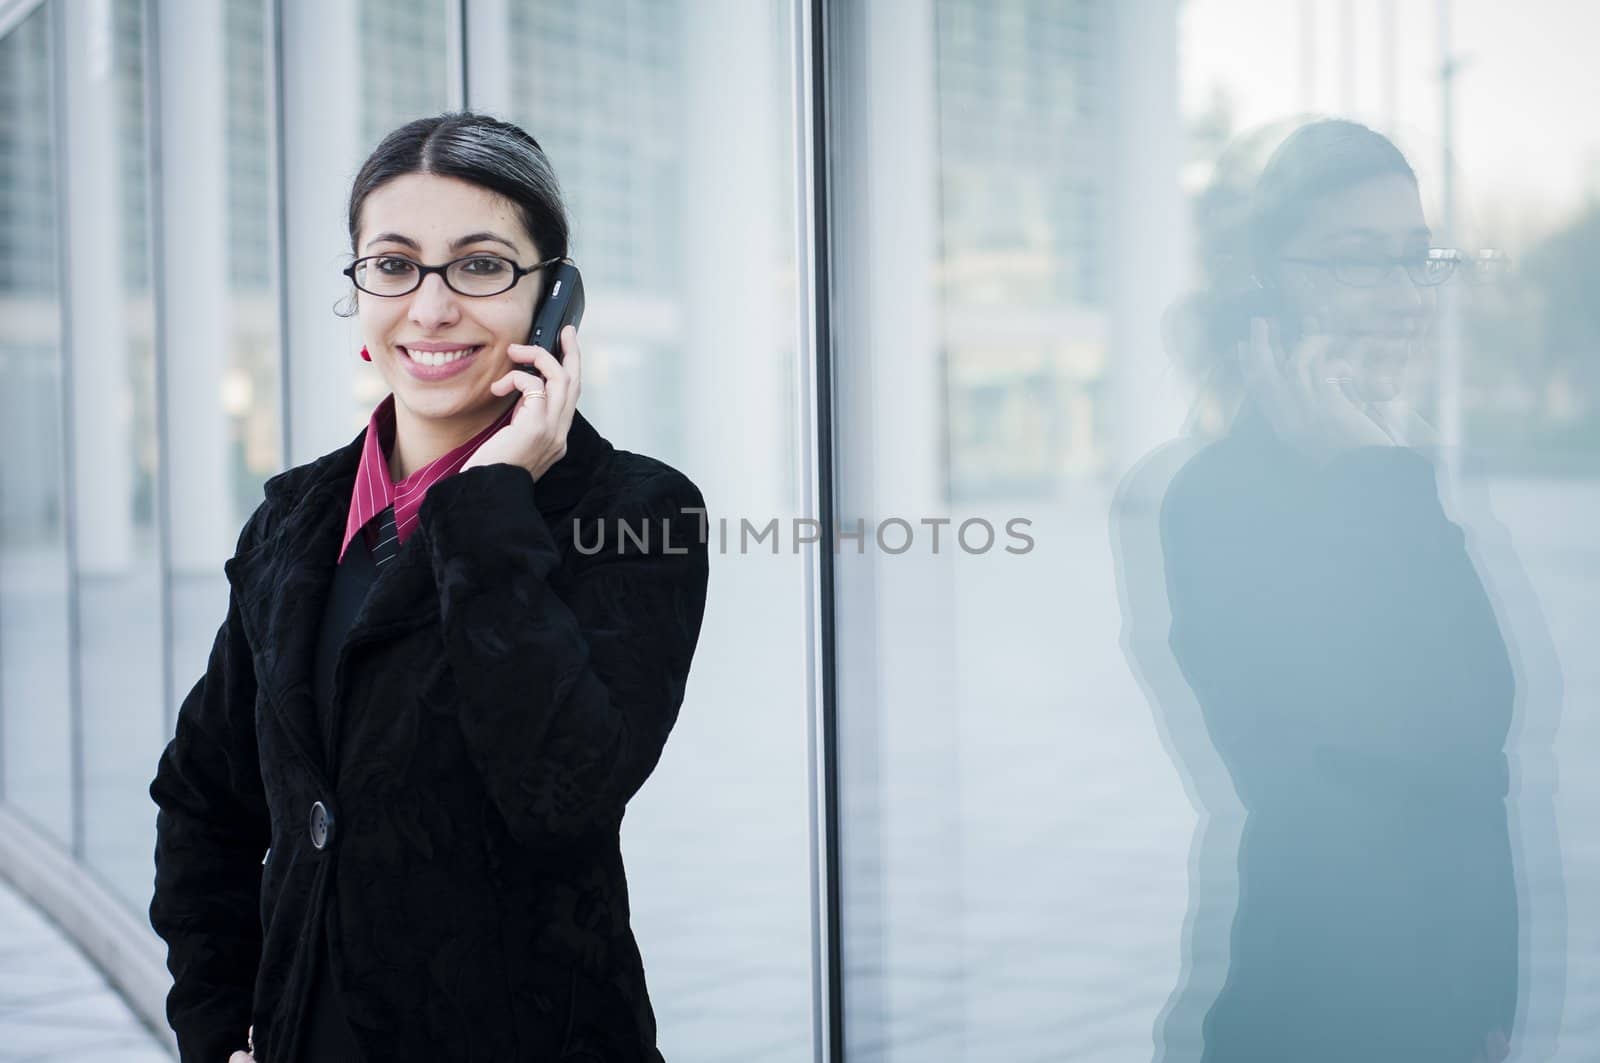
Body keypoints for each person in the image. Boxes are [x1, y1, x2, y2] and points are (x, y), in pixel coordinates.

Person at [148, 111, 710, 1063]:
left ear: (555, 300)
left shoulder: (636, 509)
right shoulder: (297, 515)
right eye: (395, 263)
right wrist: (217, 1025)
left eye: (481, 265)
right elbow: (206, 796)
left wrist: (491, 500)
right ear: (360, 285)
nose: (432, 306)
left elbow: (559, 796)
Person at [1117, 118, 1518, 1063]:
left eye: (1417, 259)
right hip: (1329, 1006)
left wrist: (1486, 1002)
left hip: (1431, 998)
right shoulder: (1224, 497)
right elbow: (1457, 720)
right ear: (1268, 288)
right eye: (1356, 260)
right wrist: (1379, 480)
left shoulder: (1382, 460)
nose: (1402, 295)